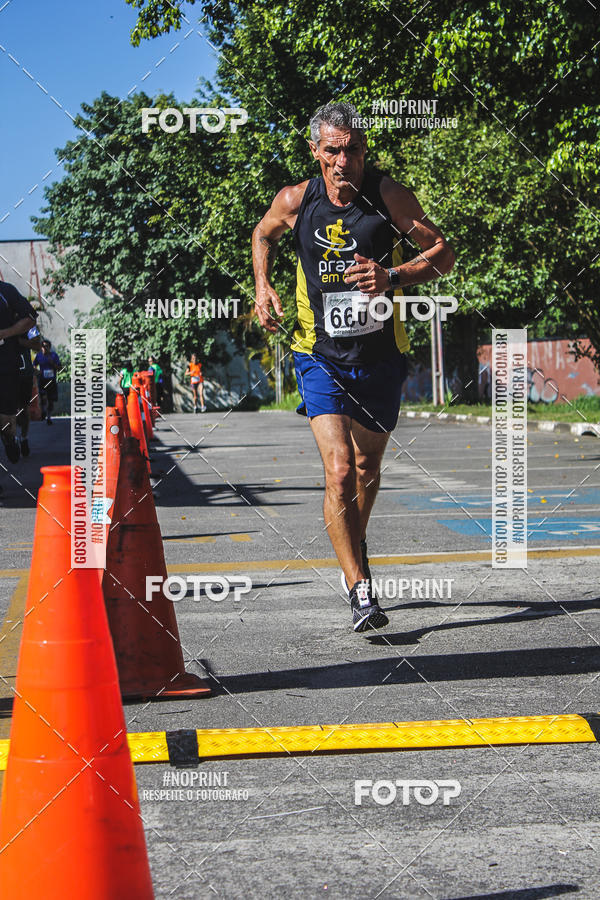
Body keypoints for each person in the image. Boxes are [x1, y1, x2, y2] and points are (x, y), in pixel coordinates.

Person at [252, 101, 455, 632]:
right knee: (340, 470)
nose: (345, 161)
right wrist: (262, 287)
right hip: (317, 354)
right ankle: (359, 586)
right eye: (334, 151)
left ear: (365, 149)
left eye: (355, 150)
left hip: (380, 356)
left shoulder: (389, 196)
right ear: (315, 151)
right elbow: (262, 235)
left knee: (366, 468)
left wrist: (393, 277)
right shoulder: (295, 200)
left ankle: (352, 545)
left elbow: (442, 251)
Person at [0, 281, 37, 463]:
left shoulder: (7, 292)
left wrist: (7, 335)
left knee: (18, 412)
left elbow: (36, 339)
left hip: (13, 369)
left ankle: (15, 439)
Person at [16, 323, 42, 456]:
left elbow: (37, 345)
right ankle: (11, 439)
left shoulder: (27, 322)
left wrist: (18, 341)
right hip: (5, 374)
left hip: (24, 374)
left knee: (23, 408)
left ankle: (23, 438)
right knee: (8, 409)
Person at [33, 340, 60, 425]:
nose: (45, 348)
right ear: (41, 347)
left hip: (51, 380)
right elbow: (34, 365)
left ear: (49, 347)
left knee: (51, 400)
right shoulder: (39, 355)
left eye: (47, 346)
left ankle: (49, 417)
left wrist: (53, 363)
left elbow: (59, 367)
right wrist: (37, 371)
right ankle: (43, 411)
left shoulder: (54, 355)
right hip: (42, 380)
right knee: (43, 397)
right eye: (43, 346)